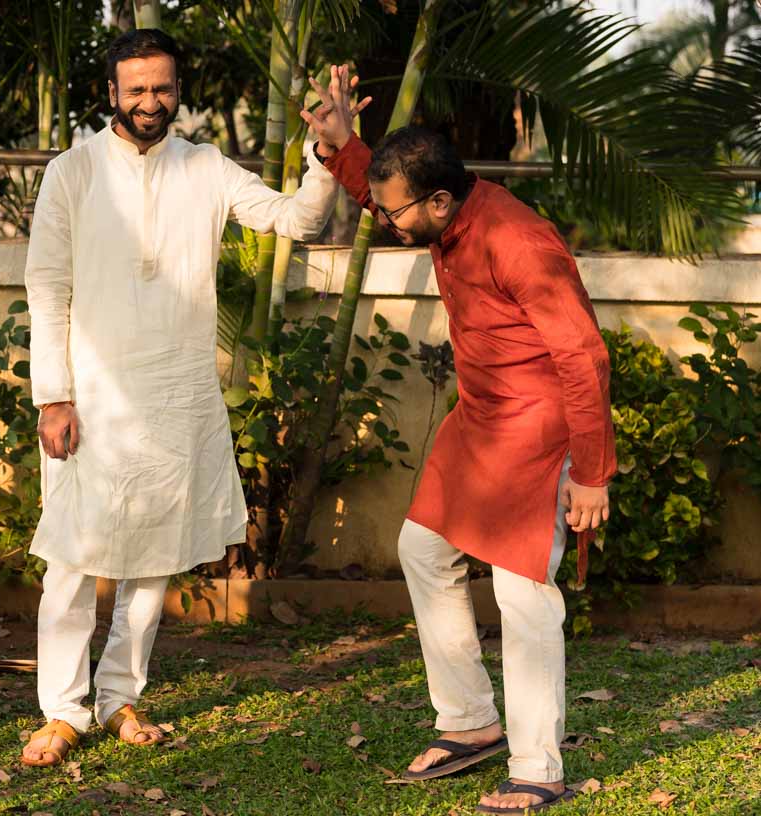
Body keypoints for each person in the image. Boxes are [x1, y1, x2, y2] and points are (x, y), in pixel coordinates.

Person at [19, 28, 340, 766]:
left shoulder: (205, 167)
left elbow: (296, 219)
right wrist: (53, 395)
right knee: (70, 558)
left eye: (161, 88)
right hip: (89, 397)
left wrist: (323, 156)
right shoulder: (72, 171)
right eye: (135, 89)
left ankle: (119, 698)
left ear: (177, 90)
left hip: (175, 394)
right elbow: (47, 286)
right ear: (110, 93)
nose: (149, 101)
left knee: (153, 557)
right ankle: (62, 711)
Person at [301, 66, 615, 814]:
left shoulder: (518, 240)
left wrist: (592, 472)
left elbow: (584, 356)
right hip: (478, 418)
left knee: (521, 589)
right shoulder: (439, 210)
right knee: (423, 549)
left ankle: (537, 767)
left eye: (393, 211)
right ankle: (470, 721)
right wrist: (343, 146)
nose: (382, 219)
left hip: (536, 427)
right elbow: (380, 193)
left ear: (439, 201)